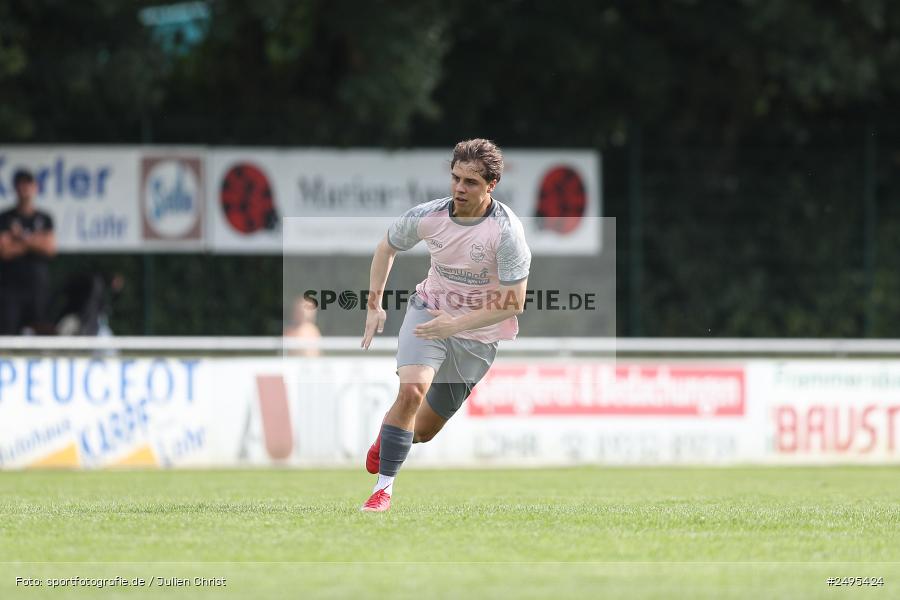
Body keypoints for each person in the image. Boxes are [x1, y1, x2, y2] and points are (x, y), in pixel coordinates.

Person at [359, 139, 531, 512]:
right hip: (429, 311)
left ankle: (384, 442)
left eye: (470, 182)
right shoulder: (429, 215)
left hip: (478, 336)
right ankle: (382, 490)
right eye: (455, 178)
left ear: (491, 185)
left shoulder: (506, 231)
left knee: (421, 431)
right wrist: (374, 305)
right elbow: (386, 247)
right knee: (411, 392)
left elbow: (514, 301)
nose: (459, 188)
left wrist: (458, 324)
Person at [0, 169, 57, 335]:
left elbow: (49, 248)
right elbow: (4, 250)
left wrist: (21, 237)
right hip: (10, 289)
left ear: (35, 187)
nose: (25, 189)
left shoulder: (45, 218)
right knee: (7, 334)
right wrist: (35, 241)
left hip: (38, 288)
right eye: (21, 185)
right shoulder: (5, 218)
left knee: (41, 333)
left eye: (28, 184)